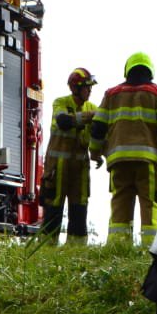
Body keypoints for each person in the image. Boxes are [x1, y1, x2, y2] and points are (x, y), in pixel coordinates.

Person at [89, 52, 157, 247]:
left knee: (120, 204)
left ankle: (118, 247)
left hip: (119, 161)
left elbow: (98, 127)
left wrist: (94, 152)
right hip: (148, 162)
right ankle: (150, 249)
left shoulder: (111, 94)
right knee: (149, 204)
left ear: (127, 71)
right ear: (150, 71)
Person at [41, 67, 98, 243]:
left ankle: (76, 250)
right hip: (57, 169)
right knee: (53, 209)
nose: (90, 90)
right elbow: (63, 121)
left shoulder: (92, 107)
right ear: (76, 88)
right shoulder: (60, 103)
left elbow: (99, 132)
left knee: (79, 210)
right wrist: (89, 116)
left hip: (80, 170)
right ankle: (47, 249)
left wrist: (98, 153)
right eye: (87, 87)